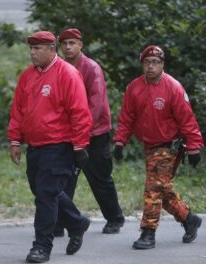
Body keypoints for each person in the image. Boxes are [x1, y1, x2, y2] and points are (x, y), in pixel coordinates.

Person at [7, 31, 93, 263]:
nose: (32, 53)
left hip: (59, 145)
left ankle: (41, 246)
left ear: (51, 49)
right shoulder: (27, 76)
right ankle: (77, 222)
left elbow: (80, 113)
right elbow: (18, 111)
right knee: (45, 191)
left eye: (37, 49)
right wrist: (15, 140)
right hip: (35, 146)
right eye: (31, 49)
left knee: (45, 195)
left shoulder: (68, 74)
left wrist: (79, 146)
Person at [113, 45, 204, 250]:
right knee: (163, 189)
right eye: (147, 62)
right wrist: (120, 141)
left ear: (162, 64)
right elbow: (127, 117)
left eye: (155, 62)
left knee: (153, 188)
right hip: (149, 146)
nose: (151, 66)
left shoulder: (173, 87)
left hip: (168, 145)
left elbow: (187, 119)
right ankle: (189, 219)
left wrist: (194, 146)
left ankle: (148, 232)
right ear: (142, 64)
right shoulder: (134, 87)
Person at [53, 28, 125, 236]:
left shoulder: (92, 68)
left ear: (80, 45)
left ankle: (115, 218)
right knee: (64, 179)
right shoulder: (59, 68)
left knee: (100, 178)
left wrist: (81, 135)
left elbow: (96, 106)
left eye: (72, 43)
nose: (67, 47)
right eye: (64, 43)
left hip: (94, 134)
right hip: (68, 133)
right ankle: (59, 222)